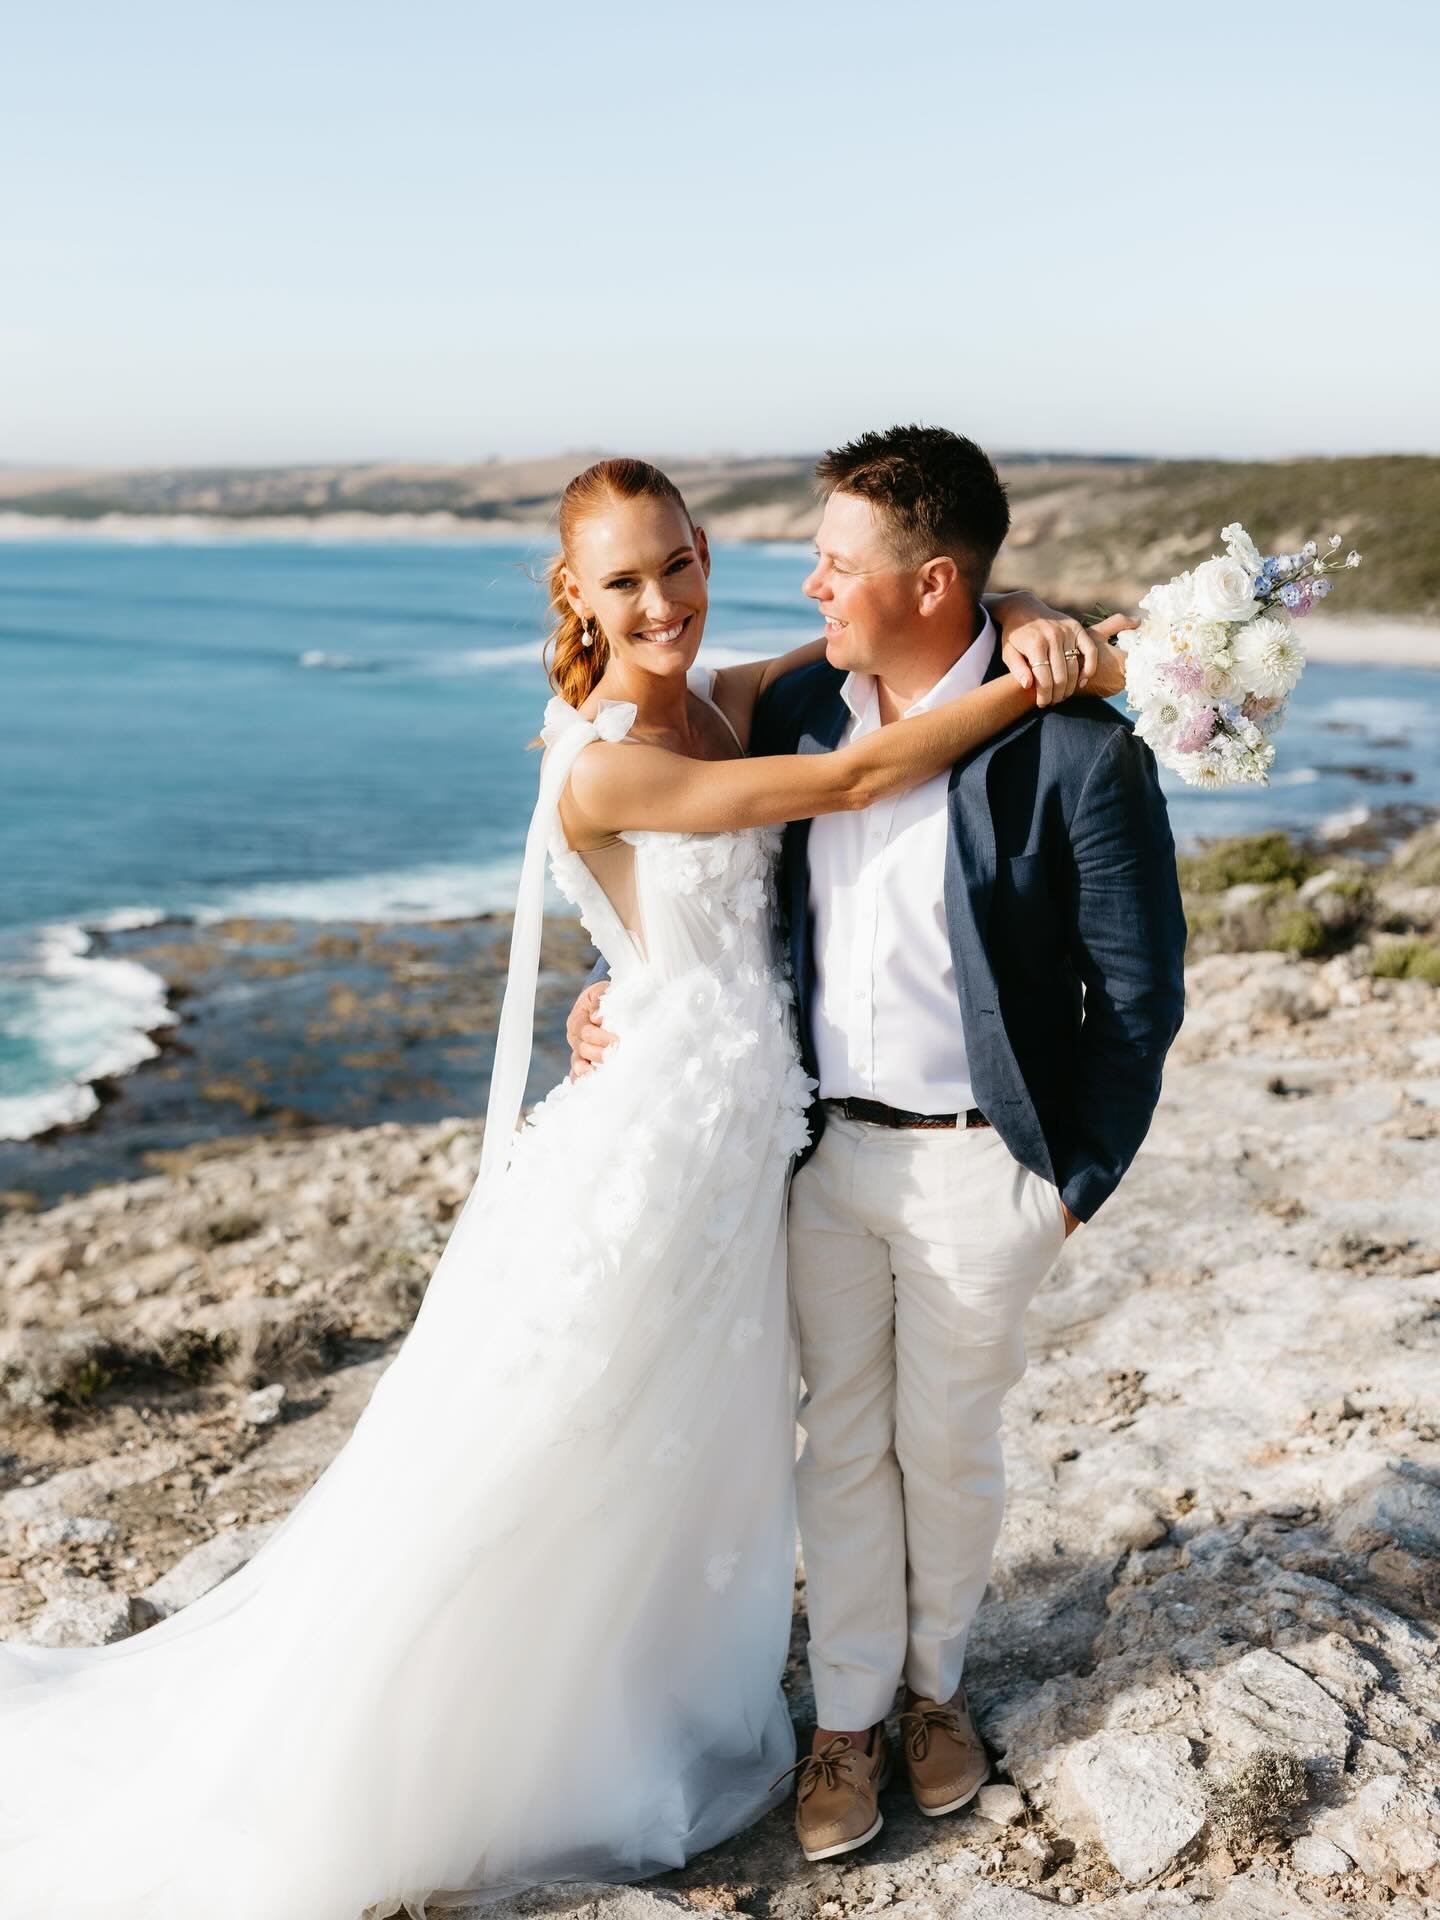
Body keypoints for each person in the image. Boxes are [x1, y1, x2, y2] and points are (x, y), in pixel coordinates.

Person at [0, 454, 1123, 1920]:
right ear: (574, 597)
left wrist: (1026, 617)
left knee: (707, 1451)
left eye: (678, 563)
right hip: (656, 1153)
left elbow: (921, 629)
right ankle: (475, 1747)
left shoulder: (725, 698)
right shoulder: (603, 762)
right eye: (624, 581)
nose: (661, 600)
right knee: (562, 1446)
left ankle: (695, 1694)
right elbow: (857, 776)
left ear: (705, 552)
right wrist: (1060, 677)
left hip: (753, 1145)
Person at [569, 429, 1187, 1865]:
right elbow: (691, 885)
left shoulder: (1078, 749)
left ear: (932, 583)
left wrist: (1070, 1184)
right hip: (820, 1161)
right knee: (839, 1446)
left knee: (948, 1448)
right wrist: (620, 995)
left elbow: (1137, 993)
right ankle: (845, 1722)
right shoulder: (788, 710)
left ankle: (935, 1695)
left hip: (987, 1167)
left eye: (838, 565)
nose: (811, 585)